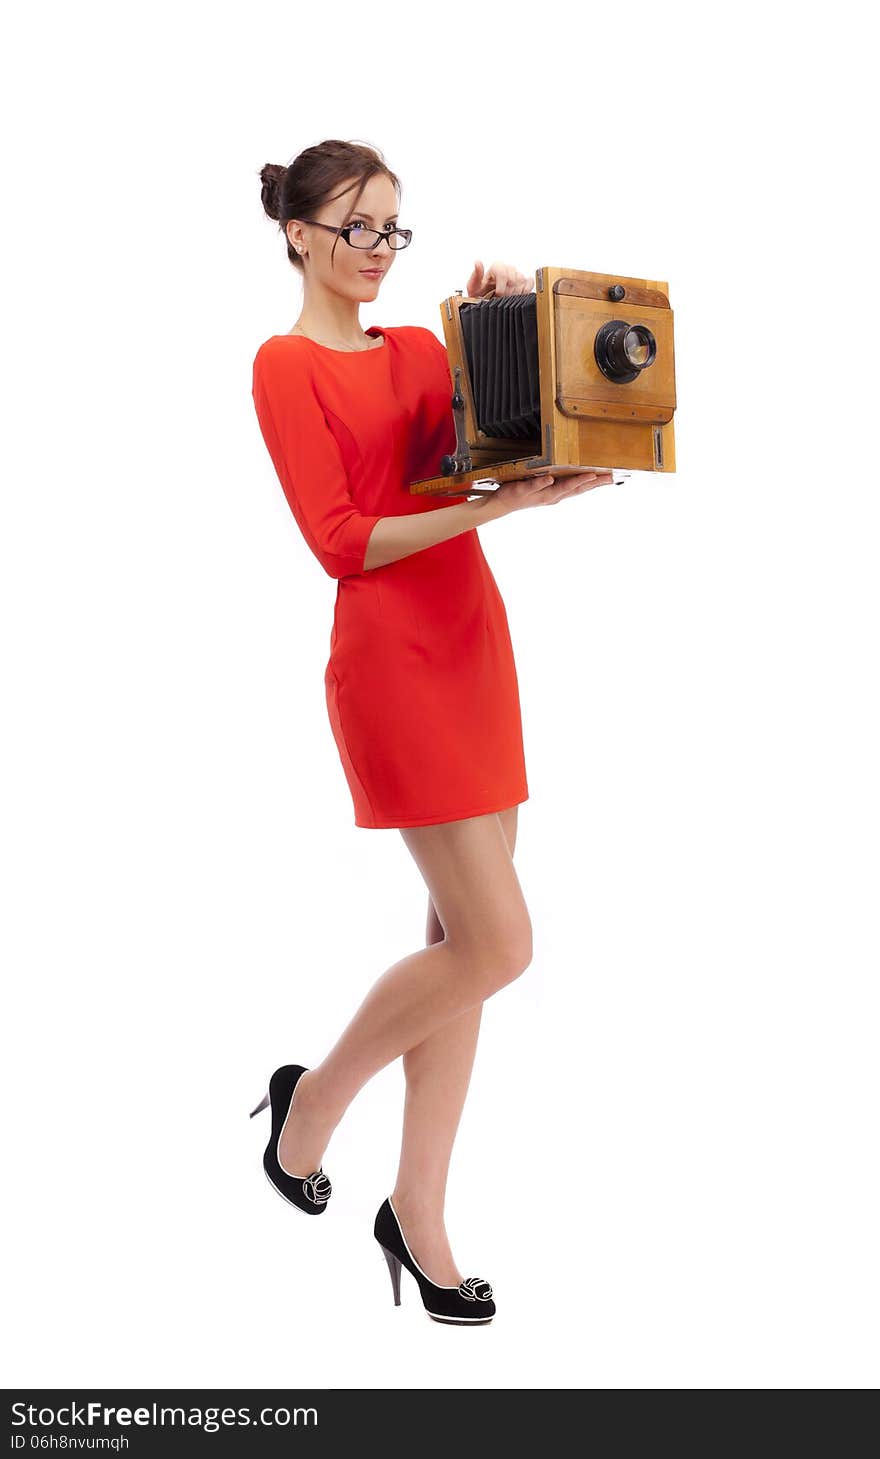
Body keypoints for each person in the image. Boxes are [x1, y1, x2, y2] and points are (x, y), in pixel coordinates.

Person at [250, 138, 611, 1325]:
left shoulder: (415, 349)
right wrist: (490, 507)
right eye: (357, 227)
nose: (377, 253)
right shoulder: (284, 365)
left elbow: (472, 460)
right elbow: (344, 539)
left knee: (462, 942)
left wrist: (507, 324)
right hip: (392, 663)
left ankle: (418, 1210)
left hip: (472, 643)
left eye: (392, 229)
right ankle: (313, 1103)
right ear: (299, 231)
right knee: (499, 945)